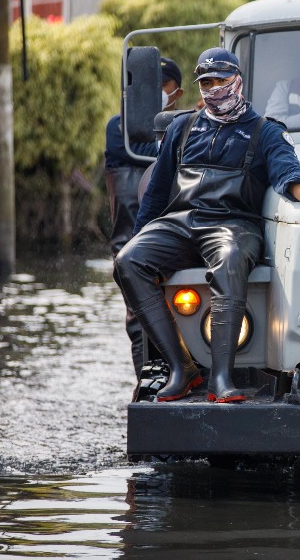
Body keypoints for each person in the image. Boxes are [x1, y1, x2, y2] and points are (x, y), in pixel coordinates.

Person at [114, 48, 300, 403]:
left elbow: (287, 170)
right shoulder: (181, 127)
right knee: (128, 261)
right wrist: (142, 236)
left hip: (234, 225)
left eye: (221, 80)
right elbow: (156, 195)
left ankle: (221, 378)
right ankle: (181, 367)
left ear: (238, 81)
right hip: (181, 221)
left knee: (230, 260)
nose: (214, 89)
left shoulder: (265, 131)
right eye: (206, 82)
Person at [104, 56, 183, 378]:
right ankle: (146, 380)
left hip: (175, 239)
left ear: (177, 92)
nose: (158, 93)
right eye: (152, 86)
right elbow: (161, 154)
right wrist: (168, 148)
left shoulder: (186, 125)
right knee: (139, 316)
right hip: (131, 242)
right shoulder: (118, 126)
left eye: (165, 86)